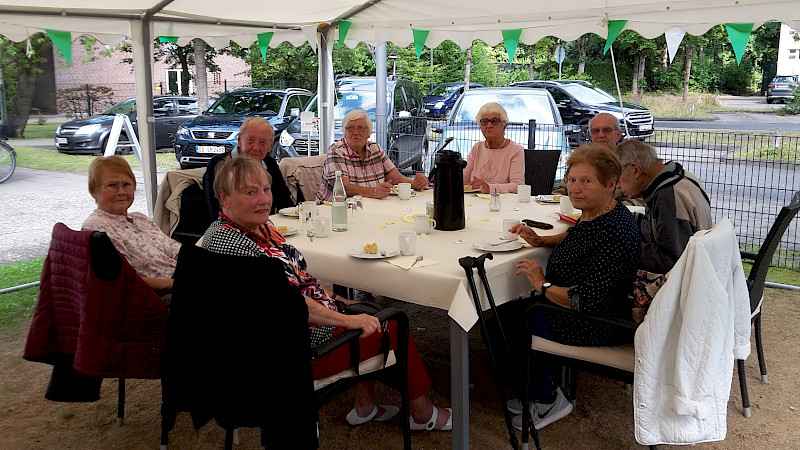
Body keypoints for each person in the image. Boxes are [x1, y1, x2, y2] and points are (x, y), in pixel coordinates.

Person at [202, 156, 452, 431]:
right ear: (224, 198)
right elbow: (291, 305)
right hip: (285, 357)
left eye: (266, 189)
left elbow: (295, 283)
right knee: (391, 326)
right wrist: (348, 319)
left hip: (284, 335)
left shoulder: (257, 229)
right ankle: (423, 414)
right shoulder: (231, 246)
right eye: (250, 192)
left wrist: (339, 302)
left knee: (365, 310)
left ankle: (365, 405)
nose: (264, 200)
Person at [502, 144, 641, 430]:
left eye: (586, 181)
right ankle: (540, 385)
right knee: (507, 313)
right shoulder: (598, 213)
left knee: (508, 322)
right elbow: (576, 235)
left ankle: (547, 399)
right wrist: (540, 241)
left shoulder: (615, 232)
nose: (575, 188)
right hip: (584, 309)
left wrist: (542, 284)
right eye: (572, 180)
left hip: (597, 320)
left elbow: (584, 299)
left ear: (611, 185)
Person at [82, 155, 179, 294]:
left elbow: (175, 250)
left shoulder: (139, 218)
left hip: (181, 278)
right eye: (112, 185)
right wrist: (180, 284)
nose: (121, 192)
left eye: (126, 184)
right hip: (156, 296)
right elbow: (124, 279)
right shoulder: (97, 227)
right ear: (93, 192)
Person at [613, 139, 713, 274]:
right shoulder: (679, 177)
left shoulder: (668, 195)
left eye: (618, 179)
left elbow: (669, 260)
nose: (618, 186)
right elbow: (658, 229)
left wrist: (619, 248)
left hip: (683, 280)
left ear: (635, 170)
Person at [316, 109, 428, 202]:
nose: (355, 132)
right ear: (344, 132)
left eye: (361, 128)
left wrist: (413, 184)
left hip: (372, 206)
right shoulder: (337, 151)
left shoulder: (375, 148)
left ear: (369, 133)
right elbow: (343, 188)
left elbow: (394, 177)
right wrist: (374, 192)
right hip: (337, 210)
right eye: (350, 128)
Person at [203, 117, 292, 218]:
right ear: (239, 140)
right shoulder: (219, 165)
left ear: (270, 146)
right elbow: (214, 211)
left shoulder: (270, 164)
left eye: (262, 142)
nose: (255, 148)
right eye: (251, 140)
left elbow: (285, 202)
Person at [552, 112, 644, 206]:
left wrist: (613, 209)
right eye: (596, 131)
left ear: (618, 135)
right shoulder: (581, 160)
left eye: (607, 130)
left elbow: (641, 200)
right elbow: (561, 191)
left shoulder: (630, 162)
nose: (601, 135)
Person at [462, 102, 524, 193]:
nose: (489, 125)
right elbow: (464, 179)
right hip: (474, 201)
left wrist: (490, 188)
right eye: (485, 121)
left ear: (504, 126)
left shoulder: (515, 150)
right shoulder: (477, 148)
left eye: (494, 121)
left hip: (502, 203)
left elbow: (518, 185)